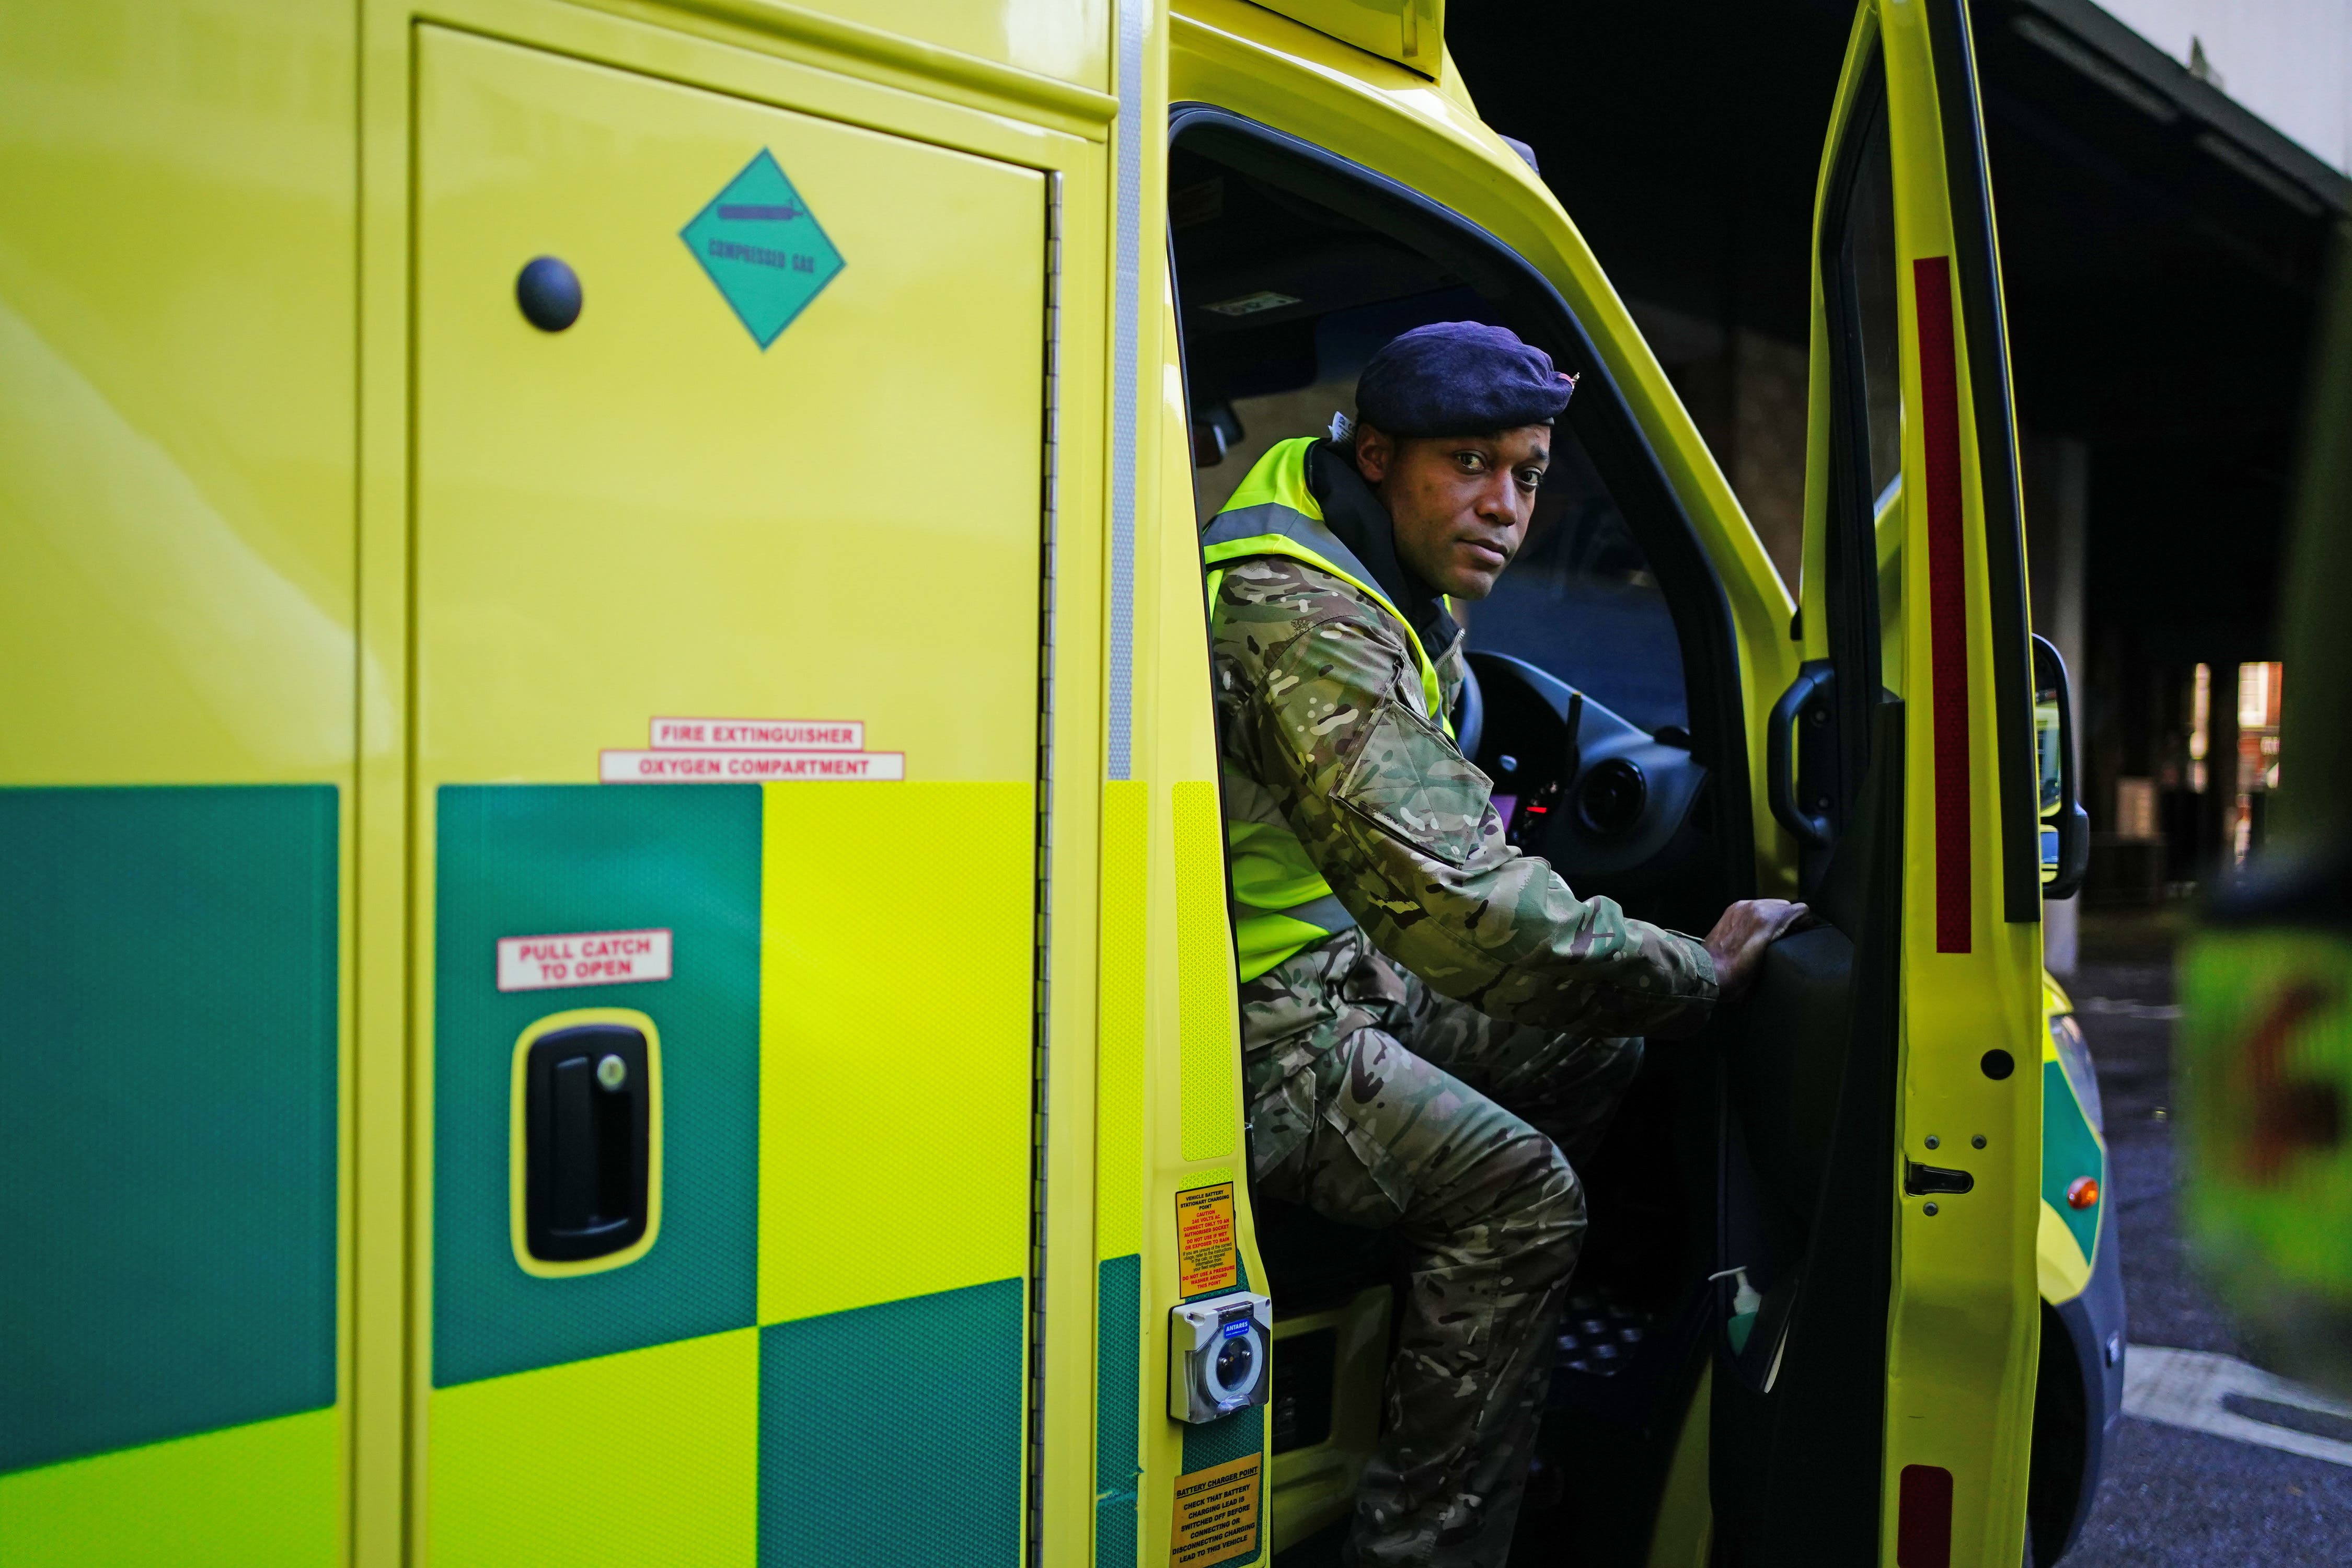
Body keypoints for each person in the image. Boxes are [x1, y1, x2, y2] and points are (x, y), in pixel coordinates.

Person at [1203, 321, 1808, 1566]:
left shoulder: (1372, 573)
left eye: (1528, 472)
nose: (1505, 503)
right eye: (1468, 462)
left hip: (1330, 976)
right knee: (1525, 1197)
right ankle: (1431, 1538)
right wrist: (1696, 970)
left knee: (1586, 1056)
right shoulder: (1298, 613)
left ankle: (1458, 1351)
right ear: (1375, 456)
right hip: (1254, 1024)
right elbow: (1468, 909)